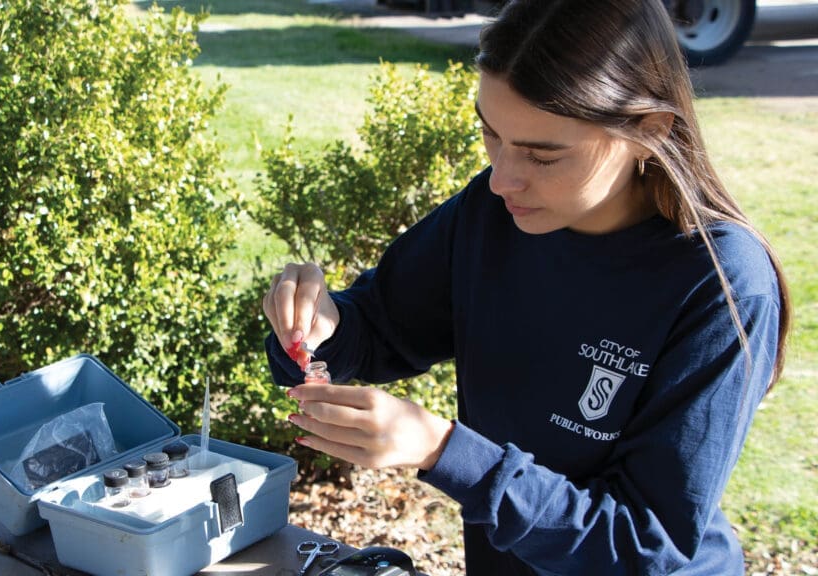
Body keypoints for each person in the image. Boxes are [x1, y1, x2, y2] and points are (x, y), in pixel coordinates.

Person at [261, 0, 792, 574]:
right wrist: (318, 328)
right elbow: (379, 330)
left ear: (648, 131)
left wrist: (442, 450)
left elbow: (643, 546)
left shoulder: (721, 284)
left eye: (542, 156)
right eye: (492, 135)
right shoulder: (494, 213)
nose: (501, 177)